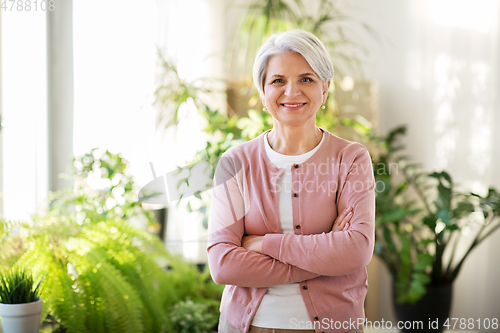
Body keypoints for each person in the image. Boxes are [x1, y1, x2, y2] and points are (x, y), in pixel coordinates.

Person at [207, 29, 375, 333]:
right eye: (278, 80)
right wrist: (322, 258)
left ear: (325, 88)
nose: (291, 92)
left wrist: (264, 244)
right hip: (247, 326)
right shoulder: (235, 163)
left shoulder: (351, 159)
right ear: (262, 91)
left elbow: (356, 251)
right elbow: (222, 264)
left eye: (306, 79)